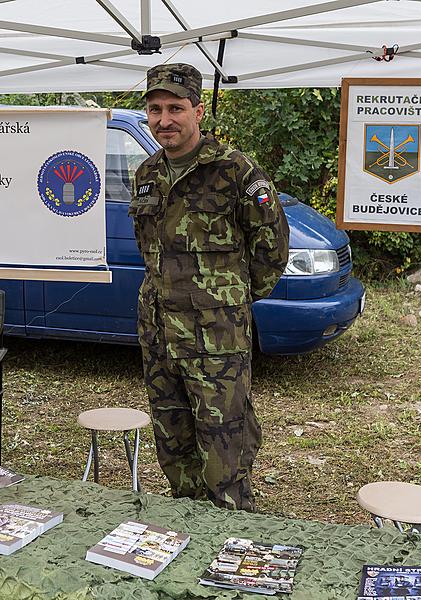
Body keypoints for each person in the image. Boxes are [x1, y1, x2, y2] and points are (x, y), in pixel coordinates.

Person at [129, 63, 289, 511]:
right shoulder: (146, 175)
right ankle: (189, 538)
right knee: (174, 447)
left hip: (216, 341)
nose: (164, 120)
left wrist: (224, 303)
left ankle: (235, 550)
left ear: (198, 111)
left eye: (175, 108)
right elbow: (150, 253)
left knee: (225, 455)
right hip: (160, 338)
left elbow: (271, 252)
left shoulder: (236, 172)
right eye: (155, 109)